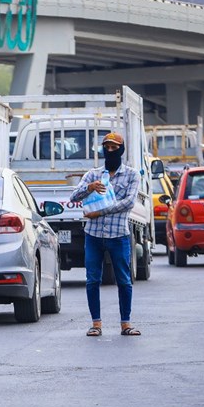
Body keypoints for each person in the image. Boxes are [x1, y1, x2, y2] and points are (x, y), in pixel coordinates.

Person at [69, 132, 141, 337]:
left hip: (119, 235)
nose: (110, 151)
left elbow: (128, 203)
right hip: (93, 235)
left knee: (124, 280)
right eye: (107, 147)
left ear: (121, 150)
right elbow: (74, 196)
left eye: (114, 147)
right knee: (92, 279)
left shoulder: (132, 175)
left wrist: (100, 212)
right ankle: (96, 324)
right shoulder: (93, 174)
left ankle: (126, 323)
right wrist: (89, 187)